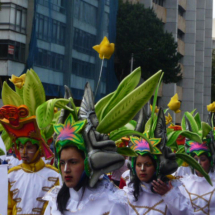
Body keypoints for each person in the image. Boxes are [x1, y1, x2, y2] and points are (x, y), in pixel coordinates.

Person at [124, 108, 194, 215]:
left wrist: (168, 194)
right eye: (138, 164)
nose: (142, 169)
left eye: (148, 164)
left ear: (157, 166)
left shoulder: (172, 189)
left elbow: (187, 213)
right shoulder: (126, 194)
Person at [0, 105, 62, 215]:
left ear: (39, 149)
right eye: (21, 147)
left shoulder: (54, 175)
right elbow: (8, 208)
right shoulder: (12, 175)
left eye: (29, 147)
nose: (24, 152)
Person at [178, 112, 215, 214]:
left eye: (203, 159)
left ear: (211, 160)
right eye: (195, 160)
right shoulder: (183, 184)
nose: (198, 163)